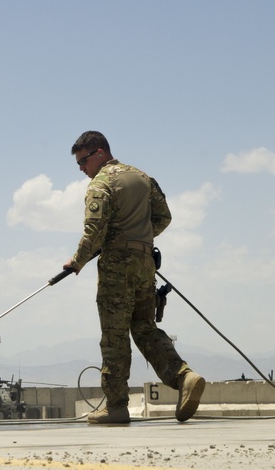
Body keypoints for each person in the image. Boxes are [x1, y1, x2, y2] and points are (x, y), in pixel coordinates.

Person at [62, 130, 205, 424]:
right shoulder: (142, 177)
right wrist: (140, 239)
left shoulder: (101, 183)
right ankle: (184, 378)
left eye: (83, 161)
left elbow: (94, 229)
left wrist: (78, 261)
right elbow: (163, 217)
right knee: (144, 327)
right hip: (144, 263)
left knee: (114, 335)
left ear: (99, 153)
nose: (81, 169)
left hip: (117, 265)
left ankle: (115, 406)